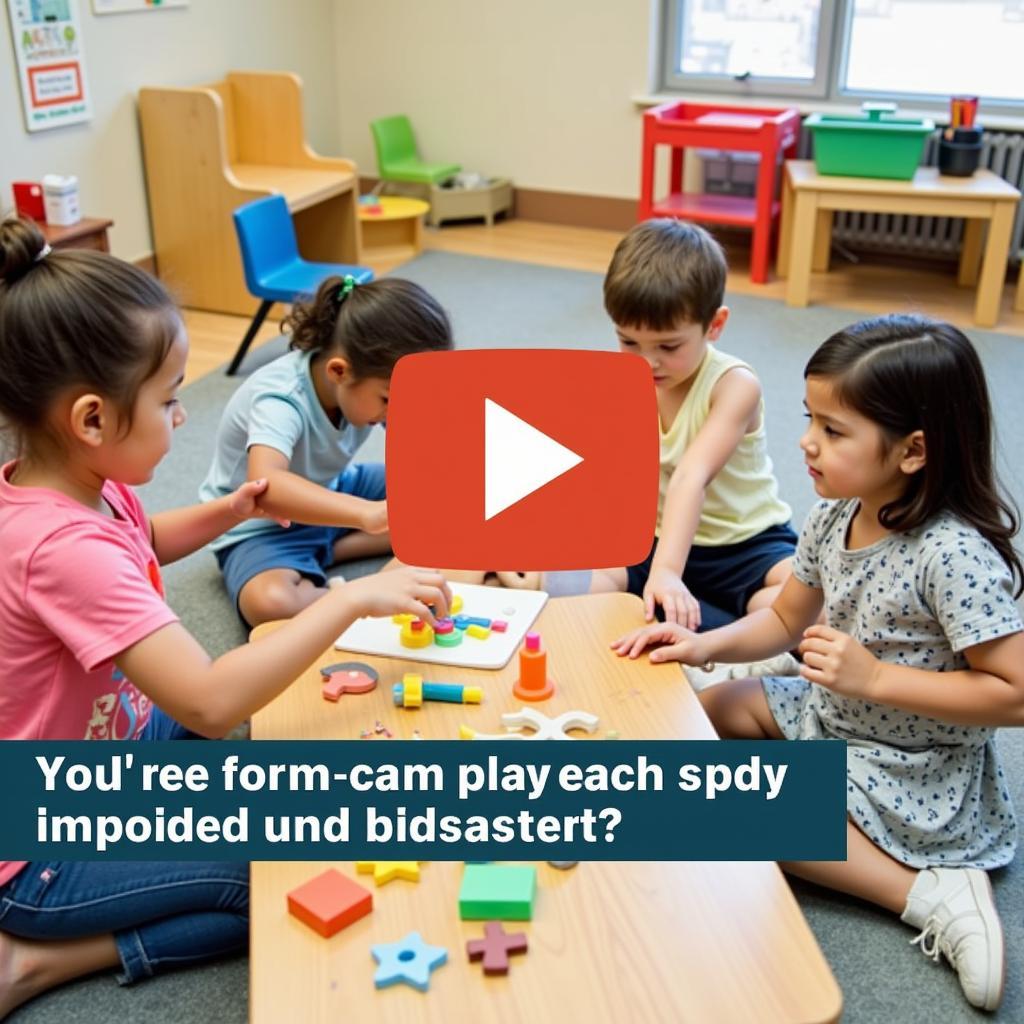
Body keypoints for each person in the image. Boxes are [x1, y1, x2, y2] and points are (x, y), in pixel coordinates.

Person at [0, 216, 449, 1018]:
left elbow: (141, 542)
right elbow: (206, 697)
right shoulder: (57, 546)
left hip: (115, 744)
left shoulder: (68, 486)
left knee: (272, 725)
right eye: (172, 401)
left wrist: (226, 511)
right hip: (37, 855)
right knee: (290, 869)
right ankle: (34, 962)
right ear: (93, 419)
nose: (184, 417)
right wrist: (349, 599)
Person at [613, 314, 1024, 1010]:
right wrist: (703, 647)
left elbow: (1013, 695)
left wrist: (877, 678)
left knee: (743, 814)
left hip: (910, 760)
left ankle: (929, 892)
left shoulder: (954, 555)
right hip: (831, 711)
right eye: (811, 419)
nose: (806, 442)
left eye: (833, 432)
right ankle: (796, 770)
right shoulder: (837, 512)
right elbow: (782, 620)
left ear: (914, 451)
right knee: (710, 707)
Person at [199, 273, 452, 627]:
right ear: (339, 372)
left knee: (450, 503)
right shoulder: (282, 396)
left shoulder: (367, 386)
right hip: (259, 526)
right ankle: (344, 577)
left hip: (333, 489)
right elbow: (266, 485)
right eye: (389, 401)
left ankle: (328, 548)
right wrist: (367, 514)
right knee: (270, 603)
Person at [593, 219, 797, 640]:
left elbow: (692, 475)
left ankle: (733, 634)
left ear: (715, 325)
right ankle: (696, 617)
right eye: (628, 342)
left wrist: (668, 572)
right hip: (656, 537)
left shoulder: (735, 385)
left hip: (744, 544)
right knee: (586, 584)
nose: (647, 361)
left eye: (668, 346)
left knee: (804, 606)